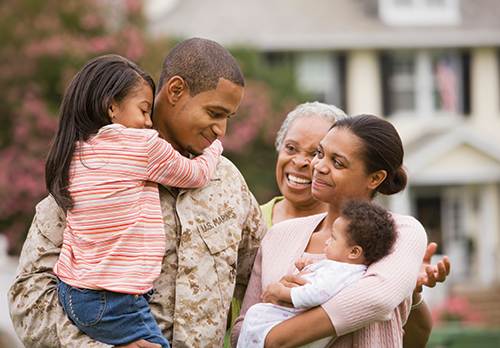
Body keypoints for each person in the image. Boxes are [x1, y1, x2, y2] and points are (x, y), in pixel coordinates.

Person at [8, 38, 268, 348]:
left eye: (228, 118)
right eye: (214, 113)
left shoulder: (227, 180)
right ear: (175, 91)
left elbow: (260, 277)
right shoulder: (92, 169)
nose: (221, 130)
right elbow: (28, 297)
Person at [230, 101, 451, 348]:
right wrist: (279, 306)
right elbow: (241, 330)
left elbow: (376, 300)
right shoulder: (278, 236)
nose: (318, 166)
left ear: (375, 178)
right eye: (321, 154)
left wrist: (279, 329)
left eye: (338, 163)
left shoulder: (401, 233)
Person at [46, 54, 226, 348]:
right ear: (111, 107)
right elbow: (196, 173)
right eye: (143, 110)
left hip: (72, 292)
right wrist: (215, 147)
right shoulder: (142, 145)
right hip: (114, 298)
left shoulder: (74, 152)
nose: (149, 122)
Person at [237, 199, 397, 348]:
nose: (327, 241)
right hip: (300, 323)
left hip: (298, 322)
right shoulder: (342, 268)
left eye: (333, 238)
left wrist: (282, 292)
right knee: (255, 319)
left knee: (255, 317)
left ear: (354, 252)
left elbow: (316, 294)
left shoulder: (344, 271)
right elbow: (320, 283)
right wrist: (306, 269)